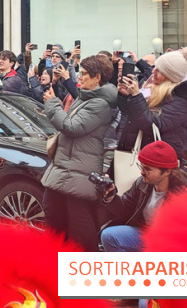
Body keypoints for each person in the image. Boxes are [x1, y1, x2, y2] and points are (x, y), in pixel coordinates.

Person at [40, 54, 117, 251]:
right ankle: (54, 266)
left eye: (84, 74)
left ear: (97, 77)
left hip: (80, 171)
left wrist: (52, 103)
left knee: (80, 227)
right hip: (65, 167)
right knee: (53, 215)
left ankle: (84, 272)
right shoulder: (87, 97)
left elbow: (71, 126)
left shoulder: (101, 104)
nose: (79, 78)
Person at [100, 141, 187, 252]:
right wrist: (111, 197)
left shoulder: (186, 191)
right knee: (109, 236)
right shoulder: (142, 183)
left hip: (173, 243)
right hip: (148, 234)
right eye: (141, 166)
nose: (142, 172)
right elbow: (126, 209)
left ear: (167, 171)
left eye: (148, 169)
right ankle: (128, 268)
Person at [117, 50, 187, 162]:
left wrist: (136, 96)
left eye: (159, 70)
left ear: (169, 76)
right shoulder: (150, 90)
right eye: (155, 67)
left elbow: (150, 125)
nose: (153, 71)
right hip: (135, 152)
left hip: (158, 161)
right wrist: (126, 96)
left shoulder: (181, 102)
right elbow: (130, 114)